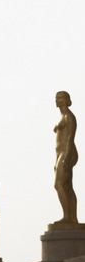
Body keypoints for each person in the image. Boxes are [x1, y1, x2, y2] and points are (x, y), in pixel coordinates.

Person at [54, 90, 78, 224]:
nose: (57, 100)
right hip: (61, 153)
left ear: (66, 100)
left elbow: (70, 138)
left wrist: (67, 157)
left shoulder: (69, 116)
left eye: (60, 98)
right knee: (67, 186)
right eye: (56, 98)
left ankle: (67, 216)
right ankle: (72, 217)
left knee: (58, 184)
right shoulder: (62, 116)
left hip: (67, 152)